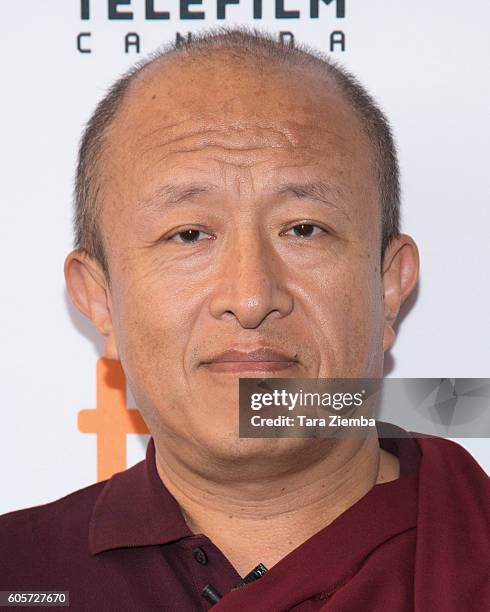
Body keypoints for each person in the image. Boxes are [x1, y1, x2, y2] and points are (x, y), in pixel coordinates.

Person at [1, 28, 488, 611]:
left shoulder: (471, 544)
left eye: (303, 229)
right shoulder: (21, 574)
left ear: (389, 285)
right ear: (99, 298)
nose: (252, 297)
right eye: (189, 234)